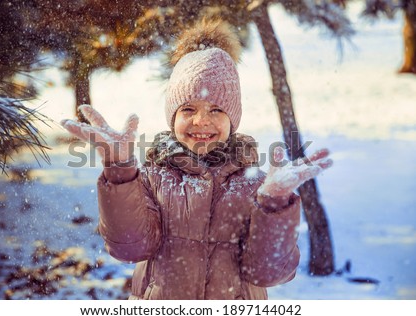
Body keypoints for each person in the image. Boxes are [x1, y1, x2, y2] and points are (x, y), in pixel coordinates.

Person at [61, 19, 332, 300]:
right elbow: (129, 248)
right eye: (188, 108)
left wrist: (274, 202)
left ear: (233, 119)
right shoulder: (154, 178)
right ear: (172, 118)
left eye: (216, 109)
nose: (201, 120)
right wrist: (119, 170)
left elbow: (268, 272)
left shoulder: (255, 186)